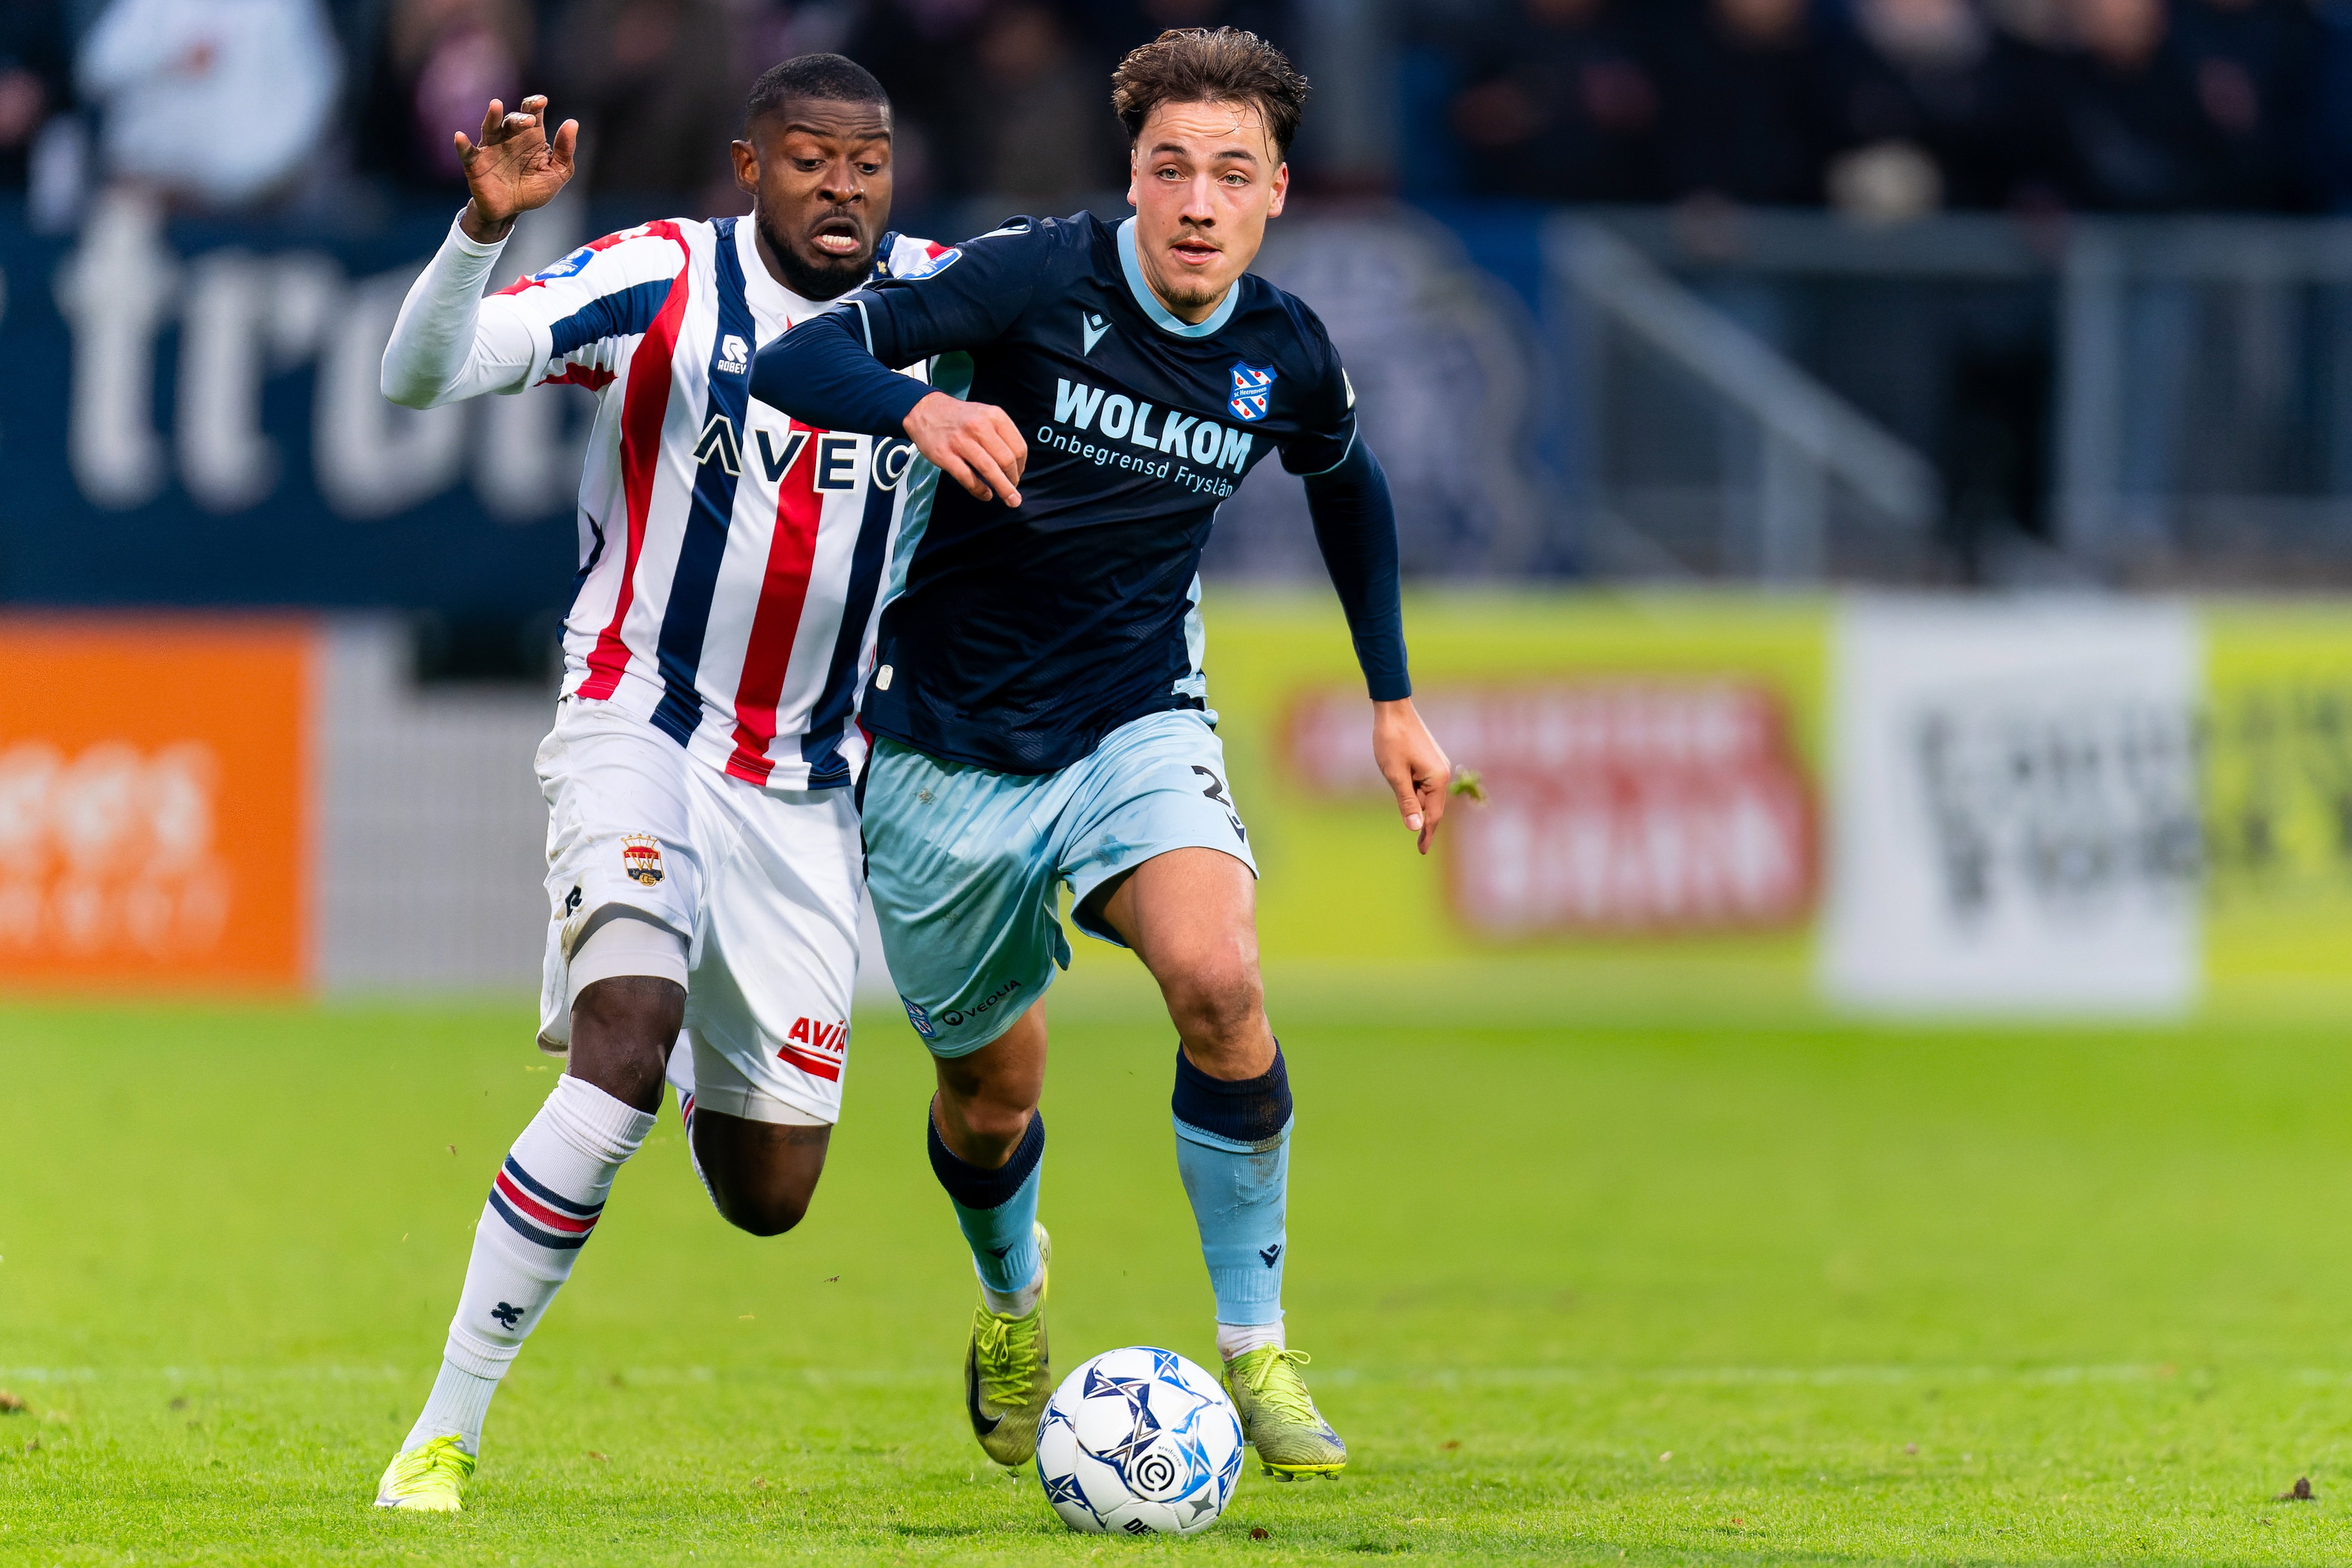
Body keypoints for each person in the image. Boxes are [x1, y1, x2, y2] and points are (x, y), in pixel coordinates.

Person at [750, 26, 1454, 1480]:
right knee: (993, 1096)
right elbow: (799, 355)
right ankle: (1014, 1302)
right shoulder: (1032, 276)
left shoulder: (1283, 352)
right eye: (1172, 169)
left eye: (1233, 175)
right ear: (1132, 179)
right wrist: (923, 402)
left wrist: (1393, 698)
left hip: (1136, 721)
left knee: (1219, 975)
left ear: (1275, 197)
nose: (1199, 203)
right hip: (943, 749)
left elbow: (1350, 485)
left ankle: (1255, 1347)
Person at [368, 54, 947, 1511]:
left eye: (866, 162)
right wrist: (482, 233)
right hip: (641, 725)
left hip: (811, 790)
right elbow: (417, 375)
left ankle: (698, 1064)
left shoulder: (951, 307)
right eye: (811, 160)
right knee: (621, 1039)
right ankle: (442, 1433)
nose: (844, 187)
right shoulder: (659, 279)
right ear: (749, 169)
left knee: (772, 1199)